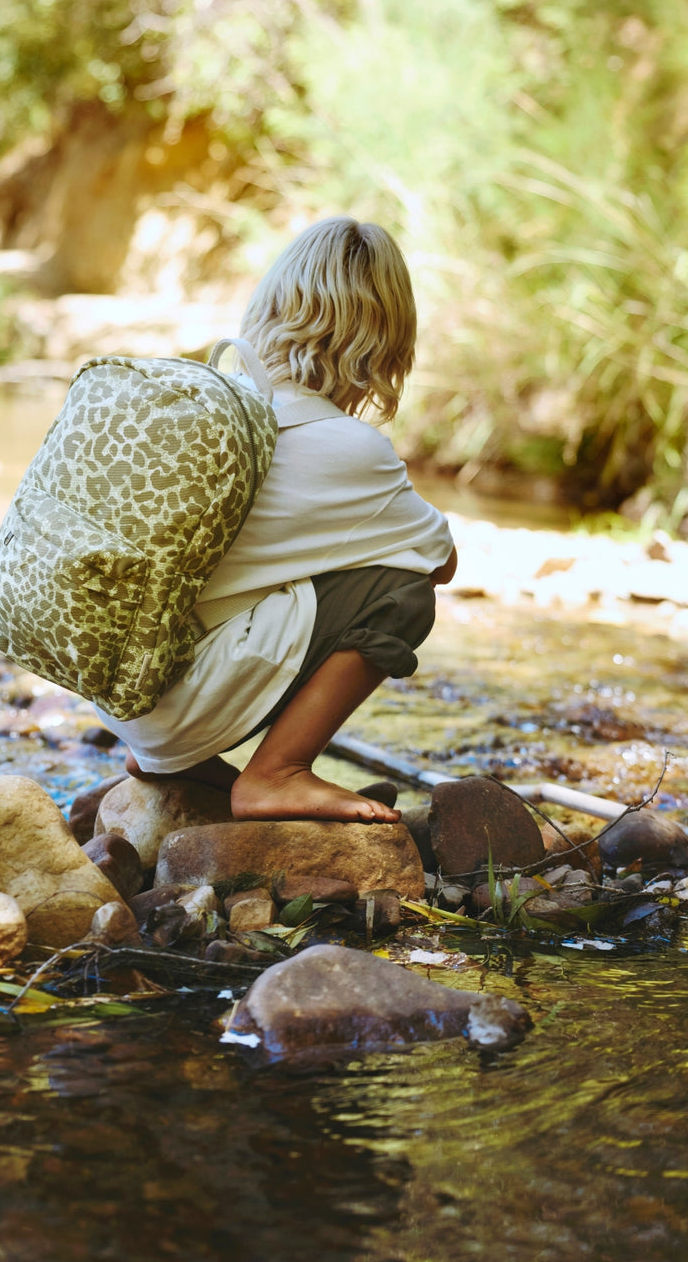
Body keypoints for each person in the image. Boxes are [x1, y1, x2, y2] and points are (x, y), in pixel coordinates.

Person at [96, 216, 457, 823]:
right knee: (402, 591)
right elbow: (441, 562)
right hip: (178, 704)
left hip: (123, 695)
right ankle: (276, 774)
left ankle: (167, 757)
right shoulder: (349, 447)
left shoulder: (216, 405)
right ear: (386, 336)